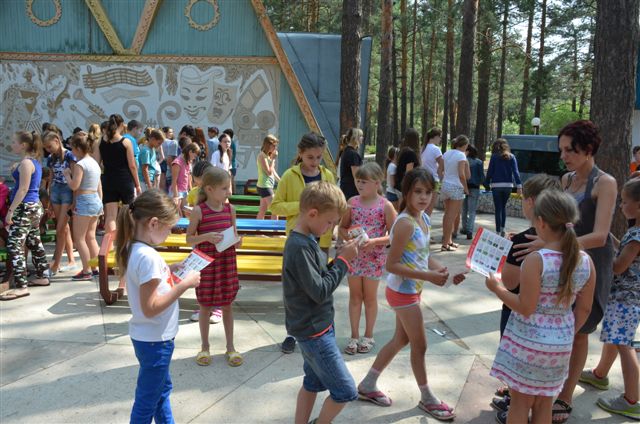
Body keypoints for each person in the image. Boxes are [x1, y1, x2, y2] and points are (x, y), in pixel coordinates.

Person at [513, 120, 617, 424]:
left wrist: (552, 246)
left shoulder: (605, 183)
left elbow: (600, 236)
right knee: (555, 328)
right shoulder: (565, 179)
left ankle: (565, 396)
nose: (564, 156)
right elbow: (554, 222)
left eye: (570, 150)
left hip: (589, 265)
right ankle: (541, 387)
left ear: (589, 148)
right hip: (559, 265)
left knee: (579, 331)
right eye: (562, 150)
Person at [357, 168, 464, 420]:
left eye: (428, 192)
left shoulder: (423, 218)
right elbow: (391, 265)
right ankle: (427, 398)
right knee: (420, 344)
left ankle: (367, 384)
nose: (424, 197)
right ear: (406, 193)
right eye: (418, 192)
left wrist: (444, 271)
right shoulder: (405, 223)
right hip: (402, 292)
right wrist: (429, 276)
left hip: (411, 290)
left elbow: (423, 256)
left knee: (400, 340)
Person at [485, 190, 595, 424]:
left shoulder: (537, 260)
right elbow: (585, 309)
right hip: (560, 346)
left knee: (520, 403)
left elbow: (525, 307)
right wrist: (565, 334)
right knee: (544, 404)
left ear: (541, 222)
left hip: (527, 344)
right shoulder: (585, 261)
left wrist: (497, 289)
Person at [115, 189, 200, 423]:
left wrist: (169, 269)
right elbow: (150, 307)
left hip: (147, 338)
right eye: (169, 228)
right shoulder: (148, 257)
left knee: (160, 392)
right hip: (156, 341)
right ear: (153, 223)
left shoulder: (134, 248)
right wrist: (184, 285)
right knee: (147, 402)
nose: (170, 233)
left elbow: (147, 279)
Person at [281, 180, 359, 424]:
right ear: (312, 213)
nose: (331, 228)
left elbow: (317, 278)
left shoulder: (307, 240)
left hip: (316, 327)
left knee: (312, 383)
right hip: (314, 333)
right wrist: (343, 262)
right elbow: (319, 290)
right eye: (330, 222)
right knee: (345, 390)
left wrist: (338, 258)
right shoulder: (300, 247)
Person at [488, 174, 562, 420]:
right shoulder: (569, 244)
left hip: (520, 323)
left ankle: (513, 401)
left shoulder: (523, 242)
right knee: (543, 401)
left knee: (520, 390)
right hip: (557, 331)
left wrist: (497, 277)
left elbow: (510, 283)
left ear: (531, 202)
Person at [271, 132, 336, 354]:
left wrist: (334, 228)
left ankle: (320, 329)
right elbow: (275, 206)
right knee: (296, 290)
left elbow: (334, 206)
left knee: (320, 286)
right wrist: (301, 207)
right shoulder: (289, 176)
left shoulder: (327, 175)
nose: (315, 162)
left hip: (322, 239)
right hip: (299, 241)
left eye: (319, 157)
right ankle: (292, 333)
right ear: (300, 154)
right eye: (310, 157)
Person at [581, 178, 640, 421]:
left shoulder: (636, 236)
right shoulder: (634, 233)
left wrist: (601, 256)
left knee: (624, 346)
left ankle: (631, 400)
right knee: (615, 339)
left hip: (626, 300)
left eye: (625, 202)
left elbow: (618, 266)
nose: (621, 206)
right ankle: (600, 374)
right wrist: (607, 238)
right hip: (626, 299)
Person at [186, 168, 242, 367]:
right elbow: (188, 238)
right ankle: (205, 347)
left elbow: (235, 236)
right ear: (209, 189)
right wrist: (206, 237)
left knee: (227, 305)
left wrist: (238, 241)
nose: (229, 192)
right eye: (224, 188)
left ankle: (230, 347)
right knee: (205, 306)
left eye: (229, 187)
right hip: (207, 265)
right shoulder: (199, 211)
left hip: (227, 263)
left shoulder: (230, 209)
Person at [339, 163, 396, 355]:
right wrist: (350, 238)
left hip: (374, 258)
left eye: (364, 181)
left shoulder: (385, 205)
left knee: (370, 298)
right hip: (354, 258)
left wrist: (374, 242)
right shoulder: (352, 202)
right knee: (355, 297)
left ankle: (369, 335)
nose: (359, 184)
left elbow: (395, 234)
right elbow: (342, 227)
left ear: (377, 183)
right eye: (358, 181)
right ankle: (354, 336)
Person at [0, 131, 49, 300]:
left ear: (23, 145)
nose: (11, 144)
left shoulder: (27, 163)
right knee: (34, 241)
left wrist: (11, 212)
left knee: (14, 244)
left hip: (25, 208)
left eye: (14, 142)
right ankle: (42, 275)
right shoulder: (32, 162)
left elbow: (23, 189)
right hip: (33, 207)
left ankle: (21, 286)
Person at [63, 132, 103, 281]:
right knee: (91, 237)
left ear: (78, 148)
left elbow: (74, 186)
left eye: (73, 148)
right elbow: (99, 187)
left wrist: (67, 175)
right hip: (95, 200)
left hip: (84, 200)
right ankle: (96, 268)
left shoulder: (80, 165)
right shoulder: (94, 163)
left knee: (79, 239)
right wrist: (100, 203)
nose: (72, 151)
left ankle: (86, 270)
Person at [94, 114, 142, 235]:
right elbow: (132, 166)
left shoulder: (100, 142)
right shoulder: (126, 142)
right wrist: (137, 184)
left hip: (108, 180)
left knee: (110, 216)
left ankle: (110, 243)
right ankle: (128, 241)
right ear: (121, 125)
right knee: (129, 213)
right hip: (125, 180)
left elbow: (96, 164)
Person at [42, 129, 77, 275]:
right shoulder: (51, 158)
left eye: (49, 146)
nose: (48, 150)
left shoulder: (70, 155)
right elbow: (50, 178)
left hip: (67, 191)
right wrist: (49, 199)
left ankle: (55, 264)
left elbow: (75, 177)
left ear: (57, 141)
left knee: (60, 228)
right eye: (46, 148)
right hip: (56, 191)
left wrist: (75, 198)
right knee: (63, 228)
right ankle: (71, 260)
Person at [484, 139, 522, 236]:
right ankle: (503, 228)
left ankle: (497, 231)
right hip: (508, 186)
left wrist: (486, 183)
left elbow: (490, 172)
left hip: (496, 186)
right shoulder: (511, 156)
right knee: (503, 207)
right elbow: (516, 172)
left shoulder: (494, 157)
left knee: (498, 208)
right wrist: (519, 186)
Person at [440, 135, 470, 251]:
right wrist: (466, 189)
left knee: (447, 214)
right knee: (451, 216)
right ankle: (445, 244)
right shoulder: (461, 155)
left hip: (445, 185)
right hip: (456, 187)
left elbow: (440, 170)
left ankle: (449, 241)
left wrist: (444, 180)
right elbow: (462, 175)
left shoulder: (447, 153)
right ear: (465, 145)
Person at [461, 144, 485, 240]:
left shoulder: (463, 161)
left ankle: (464, 228)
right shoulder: (479, 162)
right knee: (472, 211)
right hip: (474, 188)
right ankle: (470, 231)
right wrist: (485, 184)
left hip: (463, 187)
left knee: (464, 209)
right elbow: (482, 177)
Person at [170, 143, 200, 213]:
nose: (194, 158)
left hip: (185, 191)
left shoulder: (188, 162)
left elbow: (189, 177)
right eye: (194, 156)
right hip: (177, 192)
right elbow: (174, 181)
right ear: (190, 152)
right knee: (178, 213)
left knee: (186, 212)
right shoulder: (177, 163)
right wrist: (176, 196)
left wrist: (191, 190)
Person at [256, 134, 280, 220]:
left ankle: (257, 228)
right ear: (268, 145)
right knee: (275, 210)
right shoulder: (262, 156)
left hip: (267, 185)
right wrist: (273, 159)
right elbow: (269, 172)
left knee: (262, 210)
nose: (275, 148)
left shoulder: (268, 156)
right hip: (264, 186)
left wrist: (280, 181)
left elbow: (273, 171)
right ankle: (275, 228)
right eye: (274, 146)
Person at [420, 128, 444, 215]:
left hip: (422, 179)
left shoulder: (423, 148)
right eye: (440, 137)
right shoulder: (436, 149)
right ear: (436, 136)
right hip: (433, 180)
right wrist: (441, 176)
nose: (440, 139)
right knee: (429, 208)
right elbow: (442, 164)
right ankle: (426, 223)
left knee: (423, 207)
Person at [336, 128, 363, 200]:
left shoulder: (346, 151)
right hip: (351, 191)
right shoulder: (352, 154)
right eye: (361, 136)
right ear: (355, 138)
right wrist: (361, 191)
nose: (362, 138)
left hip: (345, 189)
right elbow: (356, 176)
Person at [393, 128, 422, 195]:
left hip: (400, 186)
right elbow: (408, 173)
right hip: (405, 188)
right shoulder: (410, 154)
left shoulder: (402, 151)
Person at [160, 126, 177, 192]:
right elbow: (171, 159)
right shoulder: (172, 142)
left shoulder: (158, 142)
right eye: (170, 132)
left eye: (172, 132)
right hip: (169, 170)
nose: (171, 134)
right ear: (164, 133)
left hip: (160, 169)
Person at [384, 146, 400, 210]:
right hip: (393, 194)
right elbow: (393, 183)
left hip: (390, 193)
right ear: (395, 155)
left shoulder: (391, 165)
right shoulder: (393, 166)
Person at [223, 129, 238, 194]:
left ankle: (233, 194)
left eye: (225, 134)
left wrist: (228, 164)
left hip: (231, 164)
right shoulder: (231, 142)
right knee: (231, 180)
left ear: (229, 135)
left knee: (231, 180)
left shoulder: (230, 143)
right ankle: (233, 194)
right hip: (233, 164)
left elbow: (230, 154)